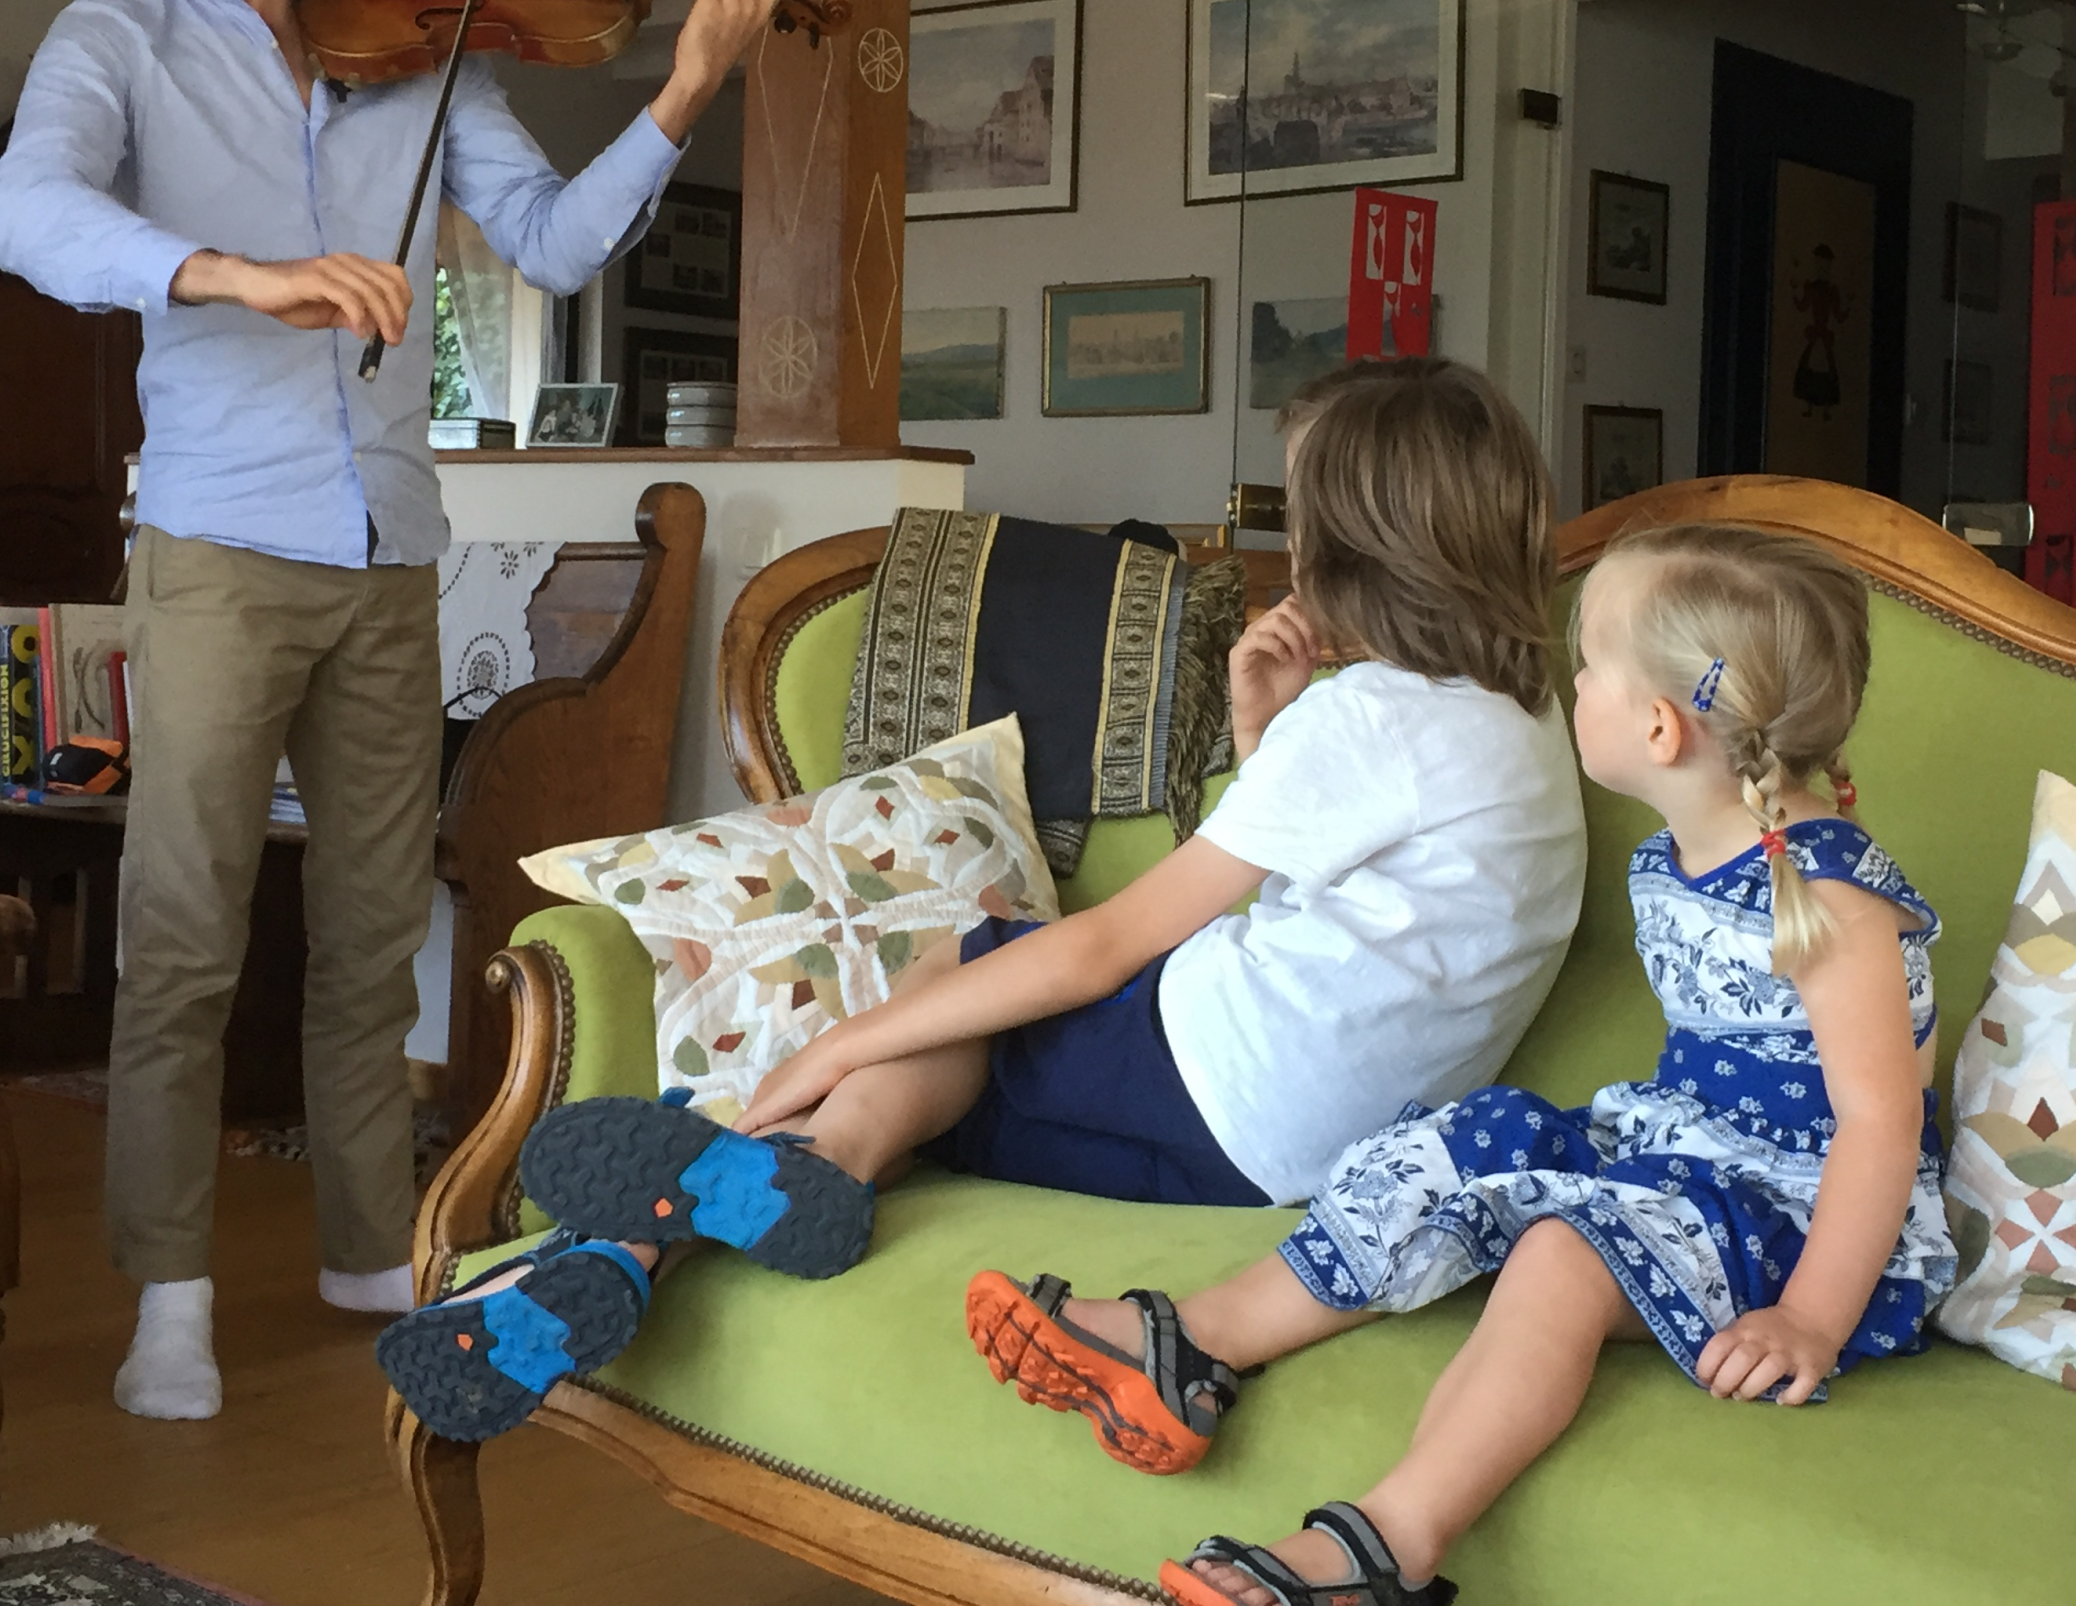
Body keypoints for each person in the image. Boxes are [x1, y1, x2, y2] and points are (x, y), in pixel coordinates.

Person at [0, 0, 784, 1422]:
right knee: (185, 936)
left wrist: (687, 87)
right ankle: (171, 1295)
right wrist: (238, 273)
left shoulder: (422, 47)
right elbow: (26, 217)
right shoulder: (118, 35)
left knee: (370, 938)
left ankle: (365, 1245)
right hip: (216, 540)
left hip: (391, 548)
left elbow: (560, 240)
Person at [374, 356, 1590, 1443]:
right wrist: (1259, 726)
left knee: (977, 979)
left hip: (1224, 1072)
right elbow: (1336, 880)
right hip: (1301, 1153)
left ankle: (800, 1162)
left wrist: (842, 1036)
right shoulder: (1526, 715)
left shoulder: (1371, 716)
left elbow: (1103, 948)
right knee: (953, 1082)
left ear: (1353, 543)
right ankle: (615, 1258)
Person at [972, 523, 1957, 1606]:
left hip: (1802, 1215)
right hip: (1682, 1149)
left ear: (1659, 727)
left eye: (1586, 669)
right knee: (1468, 1133)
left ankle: (1382, 1551)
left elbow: (1880, 1123)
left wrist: (1810, 1315)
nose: (1566, 685)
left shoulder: (1831, 898)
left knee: (1560, 1254)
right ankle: (1195, 1343)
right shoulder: (1683, 853)